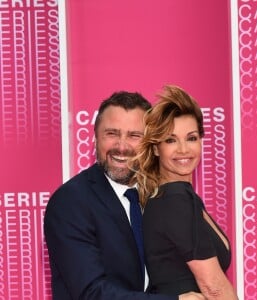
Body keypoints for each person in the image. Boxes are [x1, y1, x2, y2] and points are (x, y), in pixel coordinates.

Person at [44, 91, 204, 300]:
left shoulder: (159, 194)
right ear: (94, 138)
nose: (121, 146)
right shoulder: (71, 202)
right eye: (112, 134)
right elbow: (90, 293)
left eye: (134, 136)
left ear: (150, 143)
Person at [130, 85, 239, 299]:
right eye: (170, 140)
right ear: (155, 149)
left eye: (191, 138)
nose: (183, 149)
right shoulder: (174, 199)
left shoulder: (178, 197)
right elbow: (213, 288)